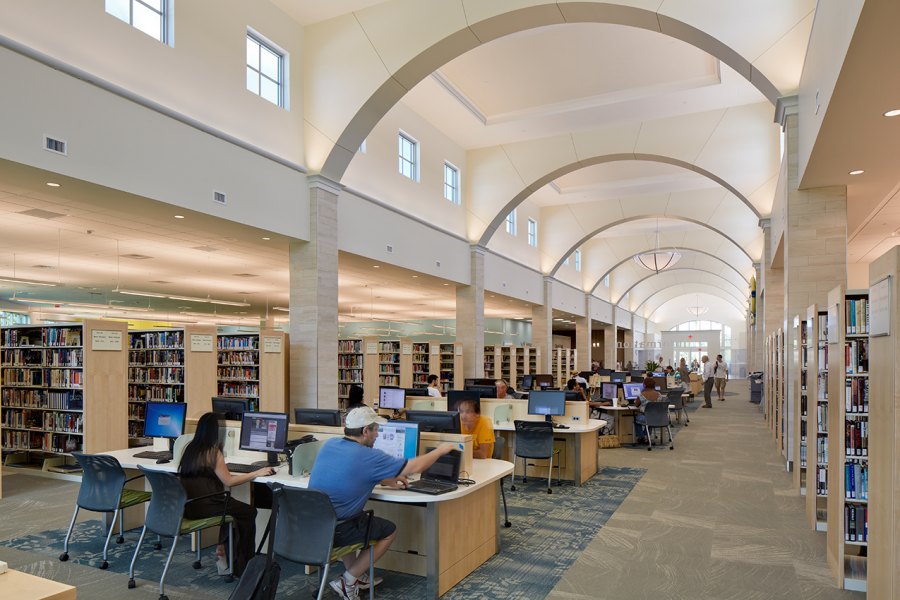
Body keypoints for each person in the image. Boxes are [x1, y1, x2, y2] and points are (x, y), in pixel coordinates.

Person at [309, 406, 455, 599]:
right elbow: (415, 466)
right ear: (365, 431)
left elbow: (348, 472)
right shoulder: (369, 456)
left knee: (352, 519)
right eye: (376, 429)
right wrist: (441, 450)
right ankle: (349, 579)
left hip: (314, 526)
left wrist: (384, 479)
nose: (378, 434)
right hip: (339, 529)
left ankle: (356, 575)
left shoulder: (330, 444)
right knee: (389, 530)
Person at [178, 412, 273, 577]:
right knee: (249, 511)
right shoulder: (213, 453)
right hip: (209, 505)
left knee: (232, 510)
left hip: (190, 507)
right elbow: (229, 481)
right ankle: (242, 563)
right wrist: (257, 473)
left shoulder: (189, 449)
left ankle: (223, 547)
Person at [633, 376, 662, 441]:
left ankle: (641, 436)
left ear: (644, 385)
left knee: (635, 418)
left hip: (647, 418)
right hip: (659, 418)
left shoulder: (642, 395)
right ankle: (646, 435)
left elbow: (636, 405)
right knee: (651, 417)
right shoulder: (659, 394)